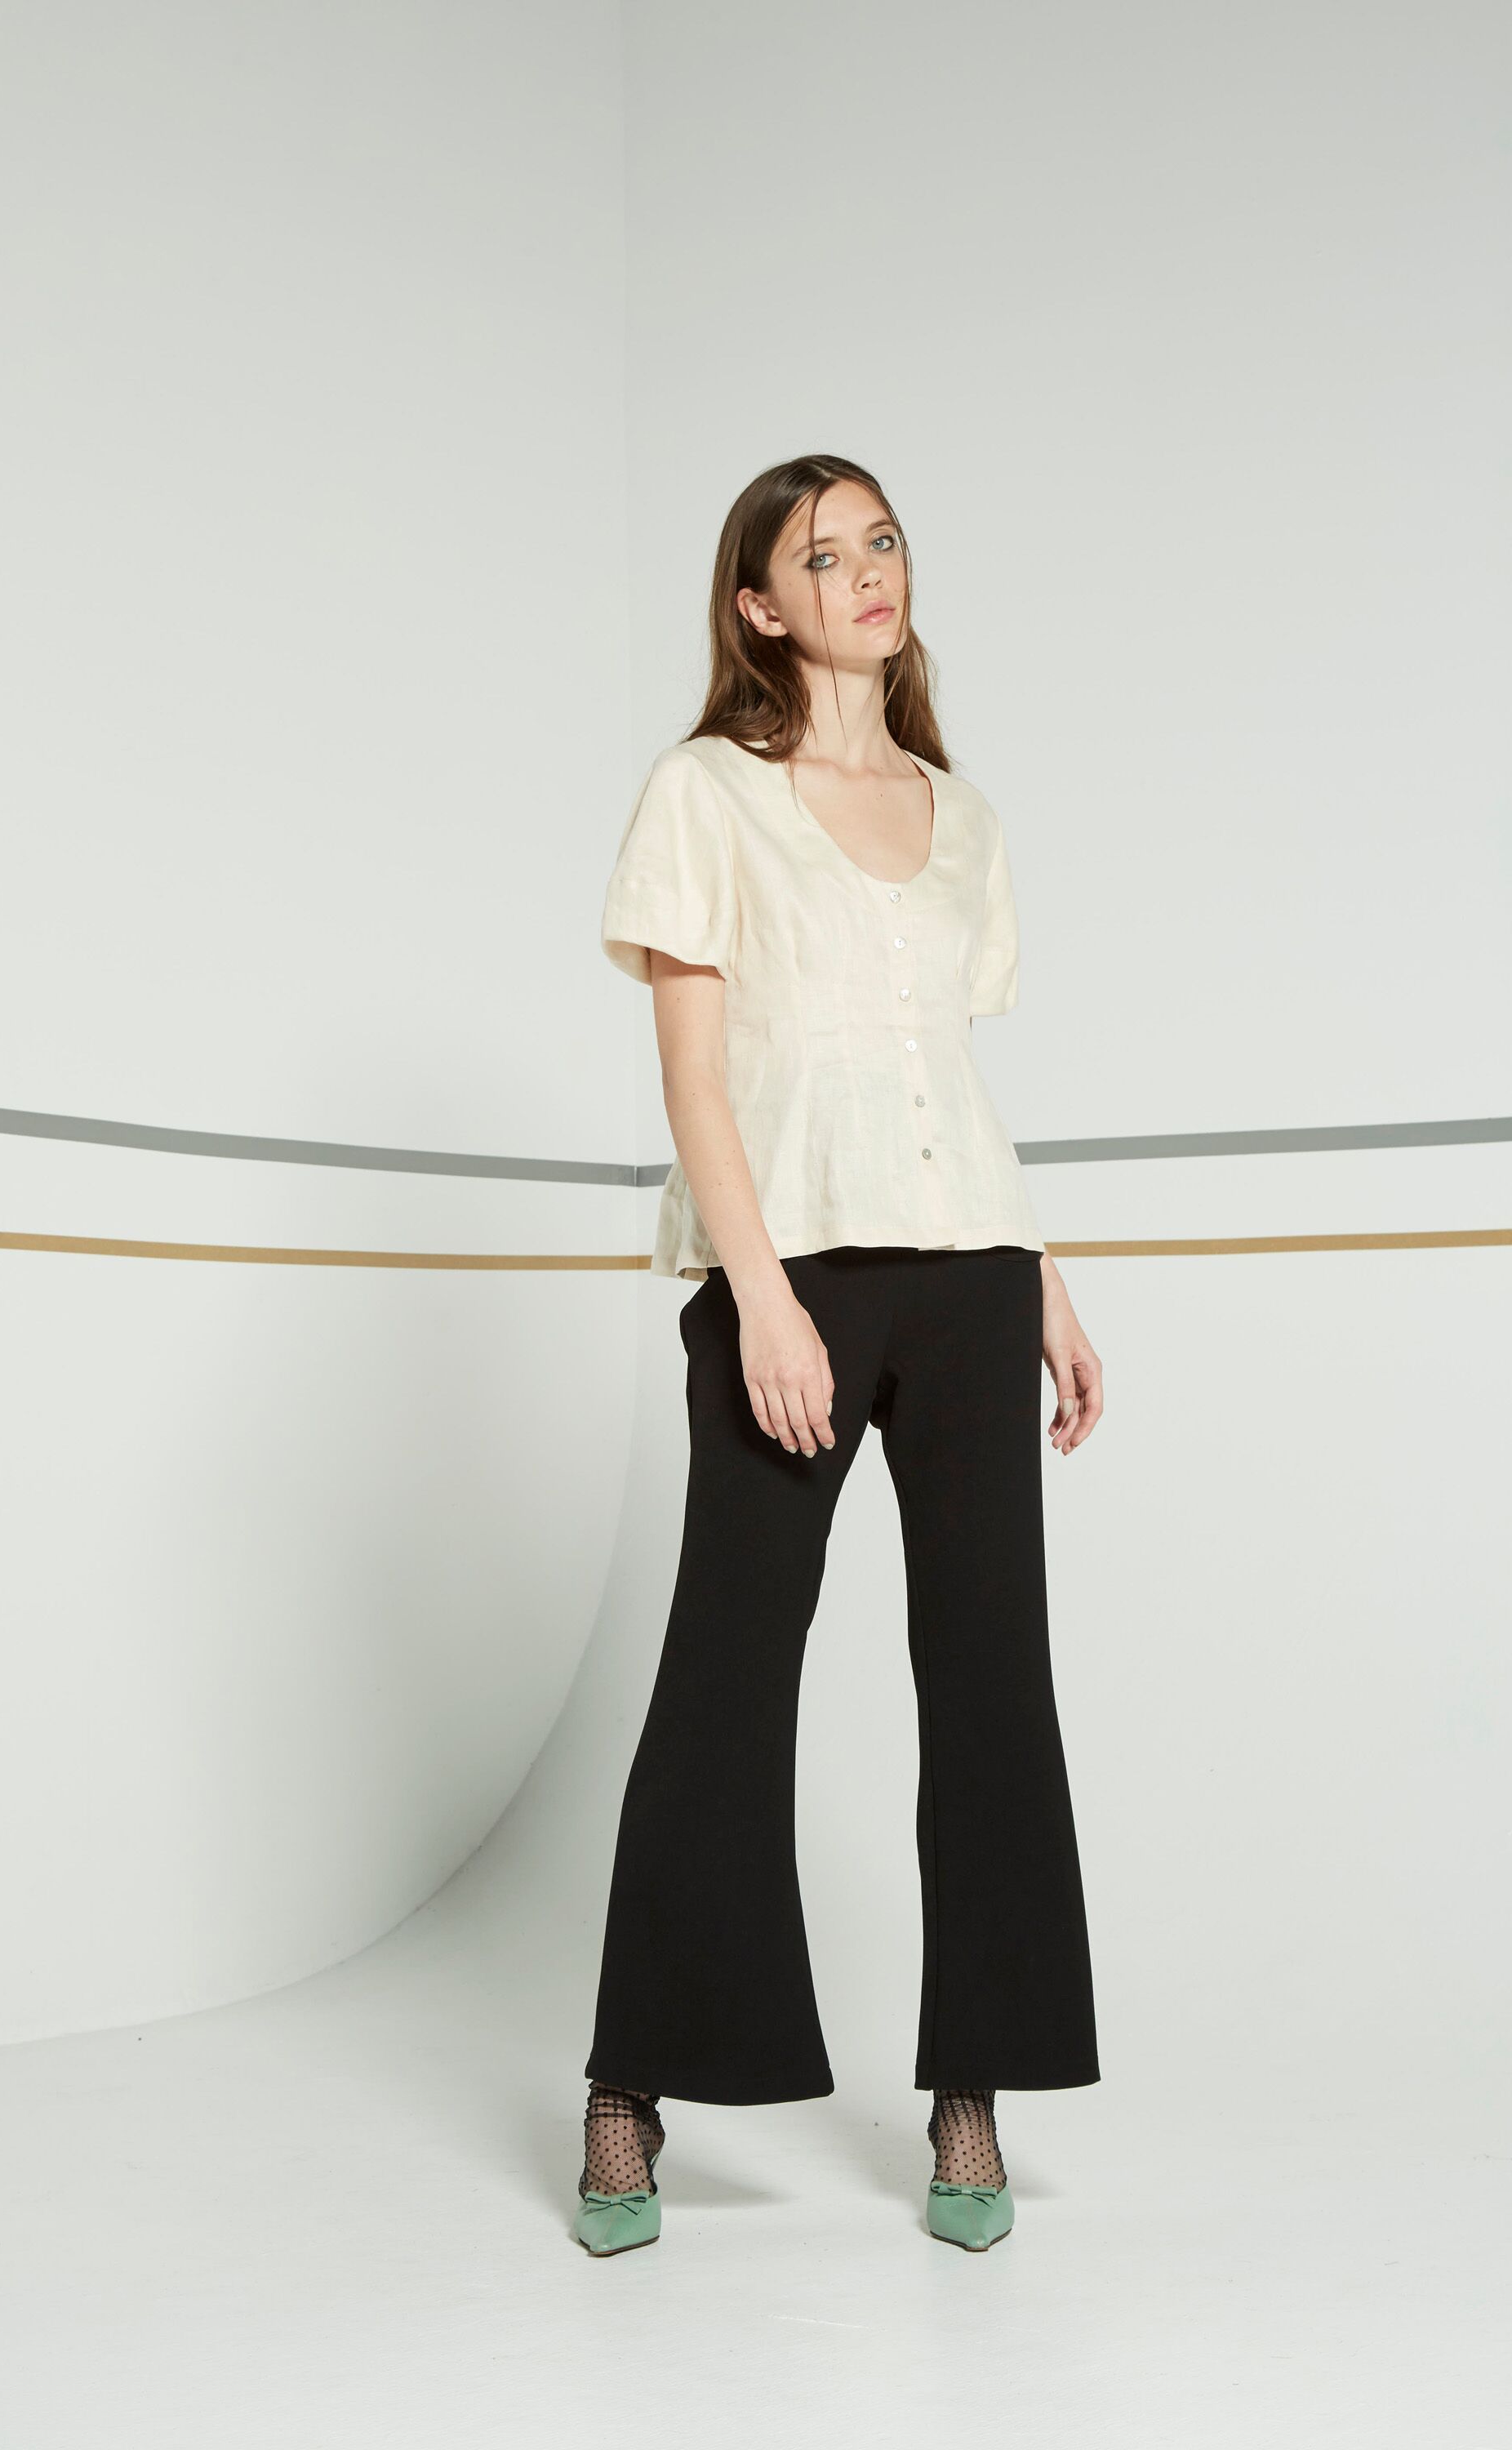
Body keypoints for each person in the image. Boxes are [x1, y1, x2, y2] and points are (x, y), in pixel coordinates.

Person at [573, 452, 1103, 2258]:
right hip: (786, 1271)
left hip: (972, 1274)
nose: (869, 571)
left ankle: (973, 2089)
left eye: (883, 540)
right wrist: (765, 1298)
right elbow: (696, 1081)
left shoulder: (962, 814)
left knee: (992, 1682)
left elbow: (942, 1072)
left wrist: (1043, 1278)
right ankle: (629, 2085)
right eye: (824, 555)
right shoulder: (706, 793)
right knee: (727, 1677)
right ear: (758, 606)